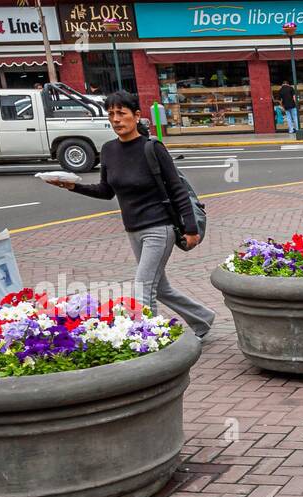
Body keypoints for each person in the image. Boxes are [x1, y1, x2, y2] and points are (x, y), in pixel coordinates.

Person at [46, 91, 213, 337]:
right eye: (111, 114)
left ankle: (150, 340)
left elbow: (177, 189)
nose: (115, 119)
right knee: (161, 287)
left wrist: (190, 229)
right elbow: (106, 191)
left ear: (136, 116)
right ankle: (203, 318)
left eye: (121, 113)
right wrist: (72, 186)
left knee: (143, 287)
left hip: (159, 228)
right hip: (133, 229)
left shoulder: (152, 148)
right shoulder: (109, 150)